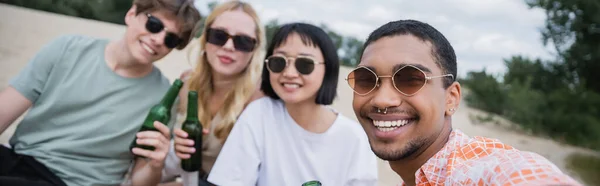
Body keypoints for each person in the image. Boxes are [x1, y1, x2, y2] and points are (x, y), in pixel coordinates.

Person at [348, 19, 581, 186]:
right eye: (367, 79)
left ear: (451, 98)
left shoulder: (483, 170)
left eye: (410, 79)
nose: (382, 99)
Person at [0, 0, 201, 186]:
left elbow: (140, 181)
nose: (158, 39)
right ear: (131, 14)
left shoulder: (164, 98)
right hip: (18, 161)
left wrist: (155, 165)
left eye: (171, 39)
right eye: (154, 24)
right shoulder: (67, 49)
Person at [207, 23, 379, 186]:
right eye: (279, 62)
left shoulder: (354, 139)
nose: (289, 73)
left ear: (328, 69)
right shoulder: (260, 114)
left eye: (305, 64)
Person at [154, 1, 266, 185]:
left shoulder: (260, 97)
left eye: (243, 41)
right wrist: (177, 147)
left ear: (254, 50)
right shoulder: (187, 83)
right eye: (219, 36)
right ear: (205, 39)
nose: (229, 46)